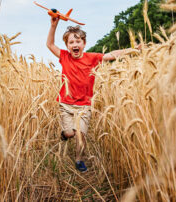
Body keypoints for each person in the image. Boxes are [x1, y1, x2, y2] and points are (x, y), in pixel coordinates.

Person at [47, 16, 140, 172]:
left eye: (78, 42)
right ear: (67, 46)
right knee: (71, 133)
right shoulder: (64, 57)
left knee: (80, 134)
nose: (75, 45)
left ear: (84, 44)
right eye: (71, 42)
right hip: (66, 104)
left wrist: (130, 50)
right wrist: (53, 25)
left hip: (84, 105)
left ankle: (79, 160)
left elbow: (111, 55)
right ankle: (65, 134)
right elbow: (49, 44)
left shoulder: (92, 58)